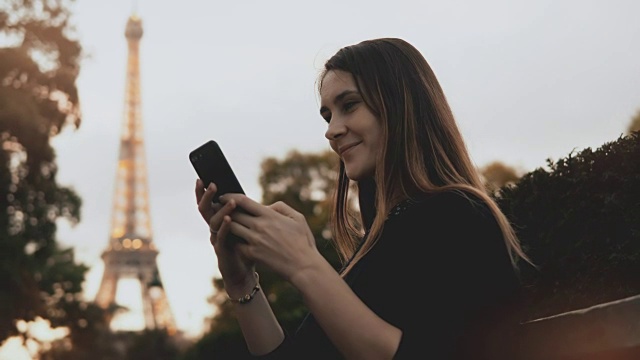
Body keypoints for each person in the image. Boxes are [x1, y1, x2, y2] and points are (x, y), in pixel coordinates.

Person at [194, 37, 534, 360]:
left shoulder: (457, 216)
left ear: (400, 106)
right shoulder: (377, 244)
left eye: (349, 105)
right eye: (328, 115)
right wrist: (241, 282)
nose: (331, 129)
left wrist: (304, 264)